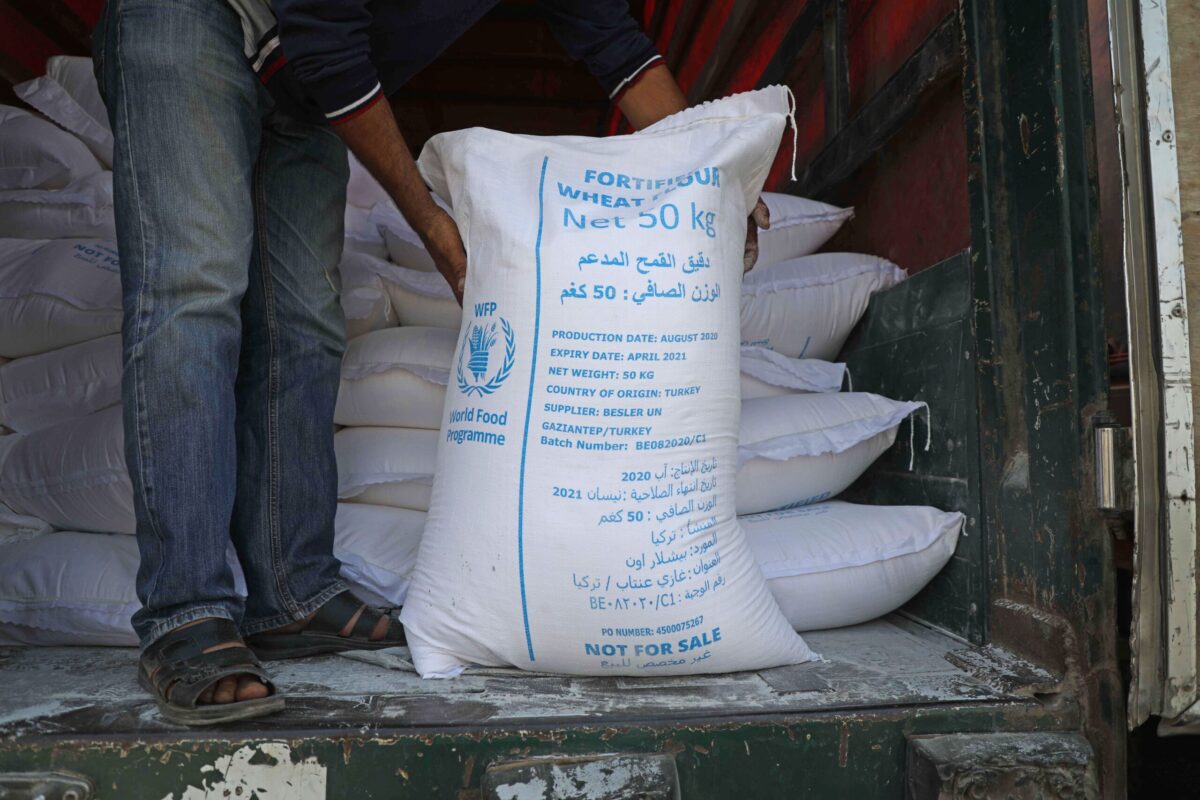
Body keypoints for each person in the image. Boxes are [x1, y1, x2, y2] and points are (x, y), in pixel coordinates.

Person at [92, 0, 770, 726]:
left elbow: (612, 43)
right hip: (193, 19)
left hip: (298, 80)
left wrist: (710, 174)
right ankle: (184, 614)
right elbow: (326, 41)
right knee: (194, 297)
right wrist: (435, 227)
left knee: (306, 321)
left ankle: (291, 595)